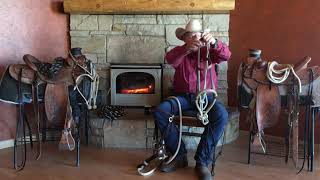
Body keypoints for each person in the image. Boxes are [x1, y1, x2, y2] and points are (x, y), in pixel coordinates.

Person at [153, 19, 231, 180]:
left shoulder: (211, 50)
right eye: (191, 35)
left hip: (207, 98)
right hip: (183, 98)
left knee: (221, 115)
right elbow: (171, 59)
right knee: (161, 111)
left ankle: (202, 162)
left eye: (199, 34)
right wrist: (185, 51)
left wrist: (215, 42)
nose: (196, 37)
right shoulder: (179, 51)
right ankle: (178, 155)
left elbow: (226, 55)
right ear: (185, 38)